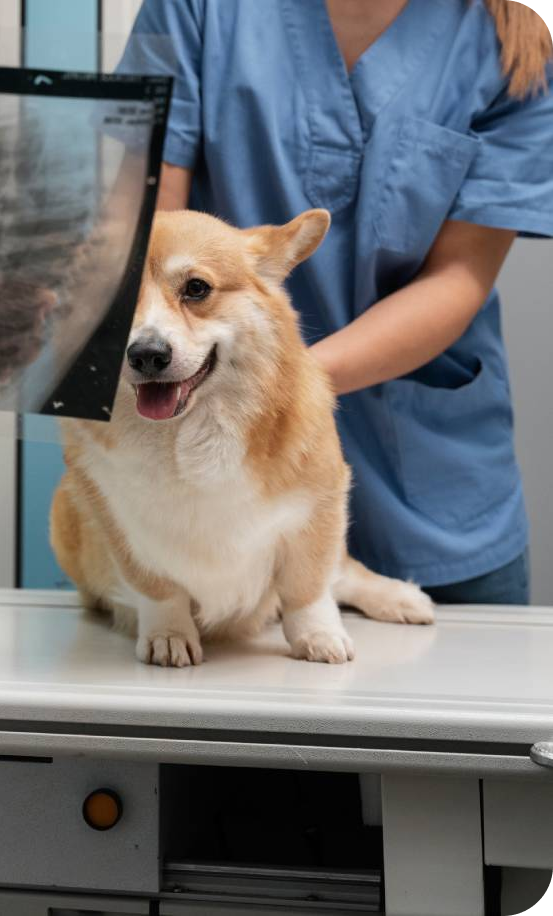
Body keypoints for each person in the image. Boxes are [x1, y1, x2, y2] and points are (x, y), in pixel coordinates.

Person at [122, 0, 552, 604]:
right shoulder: (198, 9)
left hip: (429, 489)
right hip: (214, 495)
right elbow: (144, 231)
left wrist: (282, 384)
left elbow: (458, 277)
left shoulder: (514, 39)